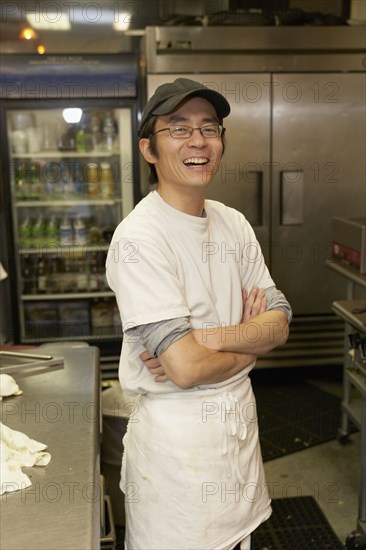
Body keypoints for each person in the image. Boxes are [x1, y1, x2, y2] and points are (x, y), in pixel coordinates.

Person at [106, 78, 292, 550]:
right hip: (177, 463)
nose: (198, 141)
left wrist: (205, 338)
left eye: (210, 128)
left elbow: (281, 320)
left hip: (237, 443)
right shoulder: (140, 240)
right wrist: (250, 343)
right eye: (179, 128)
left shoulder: (233, 221)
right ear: (149, 149)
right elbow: (185, 370)